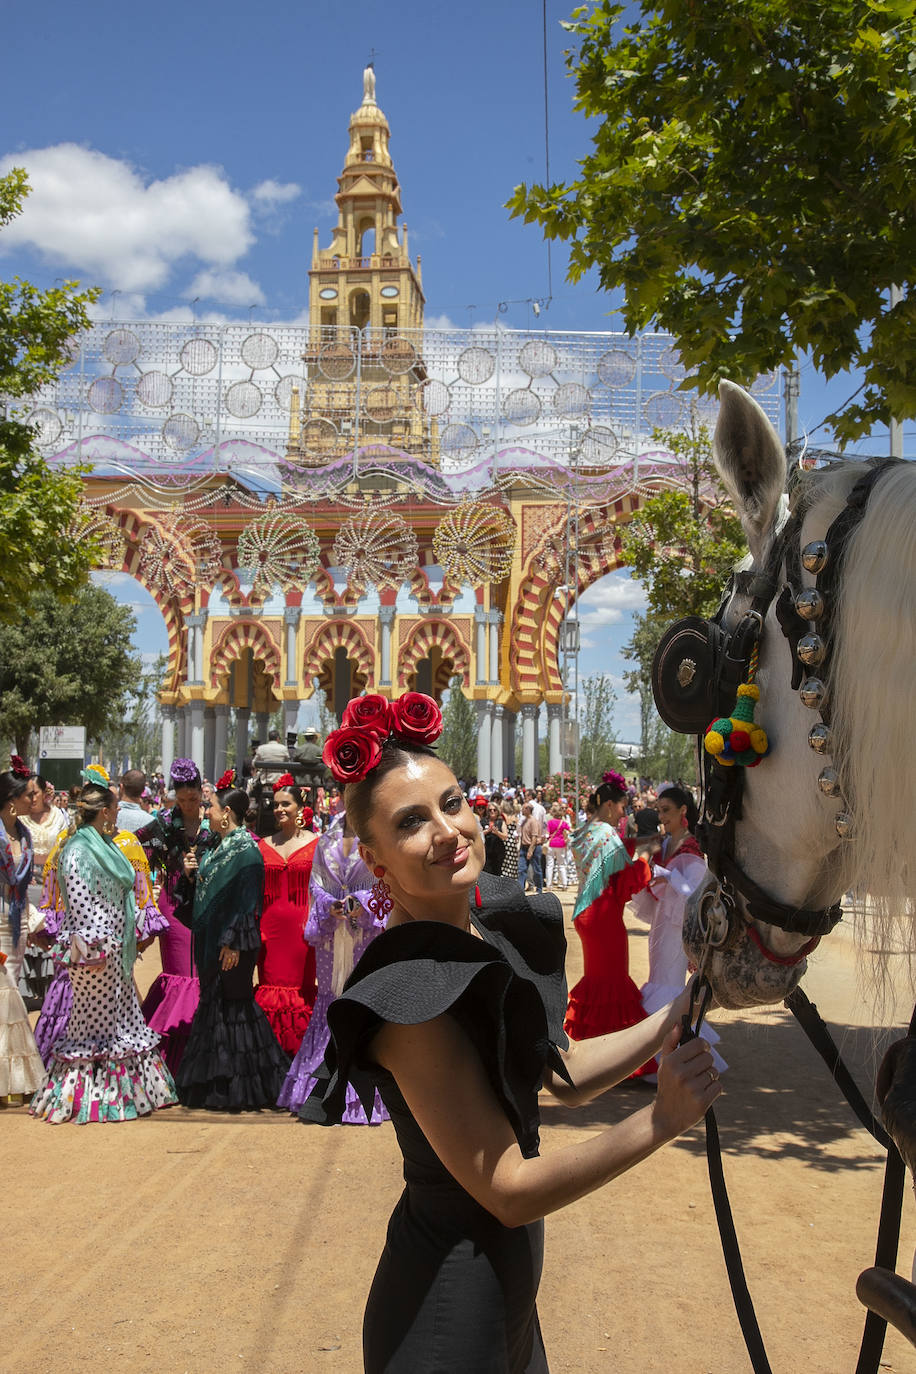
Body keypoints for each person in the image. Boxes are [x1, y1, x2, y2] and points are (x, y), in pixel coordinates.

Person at [301, 692, 720, 1373]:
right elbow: (510, 1187)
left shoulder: (483, 923)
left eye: (453, 801)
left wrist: (675, 1015)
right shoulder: (411, 995)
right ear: (377, 866)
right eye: (412, 822)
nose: (448, 830)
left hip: (506, 1290)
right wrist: (660, 1119)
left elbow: (560, 1072)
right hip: (448, 1308)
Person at [30, 767, 177, 1123]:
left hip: (114, 950)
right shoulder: (78, 849)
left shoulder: (104, 844)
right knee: (92, 1027)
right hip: (93, 952)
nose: (116, 816)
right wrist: (99, 942)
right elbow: (80, 903)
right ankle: (88, 1098)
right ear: (107, 811)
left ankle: (120, 1096)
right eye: (113, 810)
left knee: (119, 1024)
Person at [176, 777, 290, 1111]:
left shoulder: (246, 851)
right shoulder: (213, 846)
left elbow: (247, 903)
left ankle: (249, 1086)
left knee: (236, 1008)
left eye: (209, 806)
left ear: (226, 813)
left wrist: (234, 943)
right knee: (217, 1010)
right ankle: (217, 1084)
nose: (204, 811)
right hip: (212, 943)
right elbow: (203, 894)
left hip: (234, 944)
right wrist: (190, 874)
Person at [277, 810, 388, 1123]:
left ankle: (361, 1090)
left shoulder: (377, 838)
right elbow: (316, 885)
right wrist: (330, 905)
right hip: (331, 932)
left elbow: (387, 881)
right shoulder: (326, 839)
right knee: (329, 998)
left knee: (360, 998)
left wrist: (362, 903)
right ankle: (319, 1089)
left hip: (364, 932)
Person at [564, 772, 655, 1072]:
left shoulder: (589, 830)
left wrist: (635, 845)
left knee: (599, 980)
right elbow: (626, 877)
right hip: (603, 916)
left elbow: (611, 859)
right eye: (621, 807)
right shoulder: (606, 835)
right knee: (611, 982)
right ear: (608, 805)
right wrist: (646, 856)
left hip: (587, 912)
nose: (624, 813)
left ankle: (589, 1046)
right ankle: (615, 1057)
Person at [136, 759, 221, 1075]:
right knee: (181, 972)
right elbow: (135, 850)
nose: (188, 805)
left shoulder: (214, 822)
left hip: (209, 905)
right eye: (182, 800)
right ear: (174, 796)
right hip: (174, 904)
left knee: (204, 972)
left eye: (193, 799)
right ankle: (172, 1061)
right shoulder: (161, 824)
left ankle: (206, 1057)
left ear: (202, 793)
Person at [255, 775, 320, 1054]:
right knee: (269, 983)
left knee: (299, 988)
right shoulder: (262, 844)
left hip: (303, 928)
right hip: (267, 927)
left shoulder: (318, 843)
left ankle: (297, 1060)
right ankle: (269, 1059)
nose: (280, 809)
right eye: (276, 804)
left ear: (300, 806)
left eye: (286, 804)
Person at [0, 764, 44, 1104]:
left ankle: (12, 1084)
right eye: (29, 794)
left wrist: (35, 925)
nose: (35, 797)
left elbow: (22, 888)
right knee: (6, 999)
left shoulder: (25, 837)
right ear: (11, 801)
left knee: (11, 997)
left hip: (17, 926)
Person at [20, 770, 67, 1006]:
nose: (32, 798)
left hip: (53, 883)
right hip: (26, 880)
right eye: (28, 794)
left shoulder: (59, 816)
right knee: (28, 927)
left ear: (44, 793)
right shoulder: (19, 818)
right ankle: (27, 989)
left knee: (49, 927)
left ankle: (49, 988)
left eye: (35, 793)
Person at [517, 802, 544, 894]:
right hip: (524, 847)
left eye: (523, 808)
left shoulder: (533, 821)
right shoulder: (524, 821)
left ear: (528, 809)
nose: (522, 810)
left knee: (537, 869)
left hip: (533, 848)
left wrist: (530, 850)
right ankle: (520, 890)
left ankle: (539, 889)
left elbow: (534, 837)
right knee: (521, 869)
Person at [544, 802, 570, 891]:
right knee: (561, 865)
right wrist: (566, 840)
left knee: (549, 865)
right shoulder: (563, 823)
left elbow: (547, 834)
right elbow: (570, 830)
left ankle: (548, 885)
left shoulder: (550, 822)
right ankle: (564, 884)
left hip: (551, 845)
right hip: (561, 844)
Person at [116, 768, 148, 834]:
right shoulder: (151, 822)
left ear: (121, 787)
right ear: (143, 790)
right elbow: (156, 843)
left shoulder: (106, 815)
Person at [482, 802, 509, 877]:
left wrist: (497, 833)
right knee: (486, 872)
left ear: (498, 811)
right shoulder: (483, 821)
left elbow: (505, 836)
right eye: (490, 810)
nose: (492, 812)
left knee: (497, 872)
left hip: (498, 852)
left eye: (494, 810)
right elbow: (478, 834)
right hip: (486, 851)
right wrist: (487, 831)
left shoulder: (501, 822)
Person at [500, 798, 520, 882]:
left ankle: (505, 880)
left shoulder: (503, 816)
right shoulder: (515, 817)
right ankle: (513, 880)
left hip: (506, 841)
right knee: (513, 863)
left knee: (505, 862)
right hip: (513, 841)